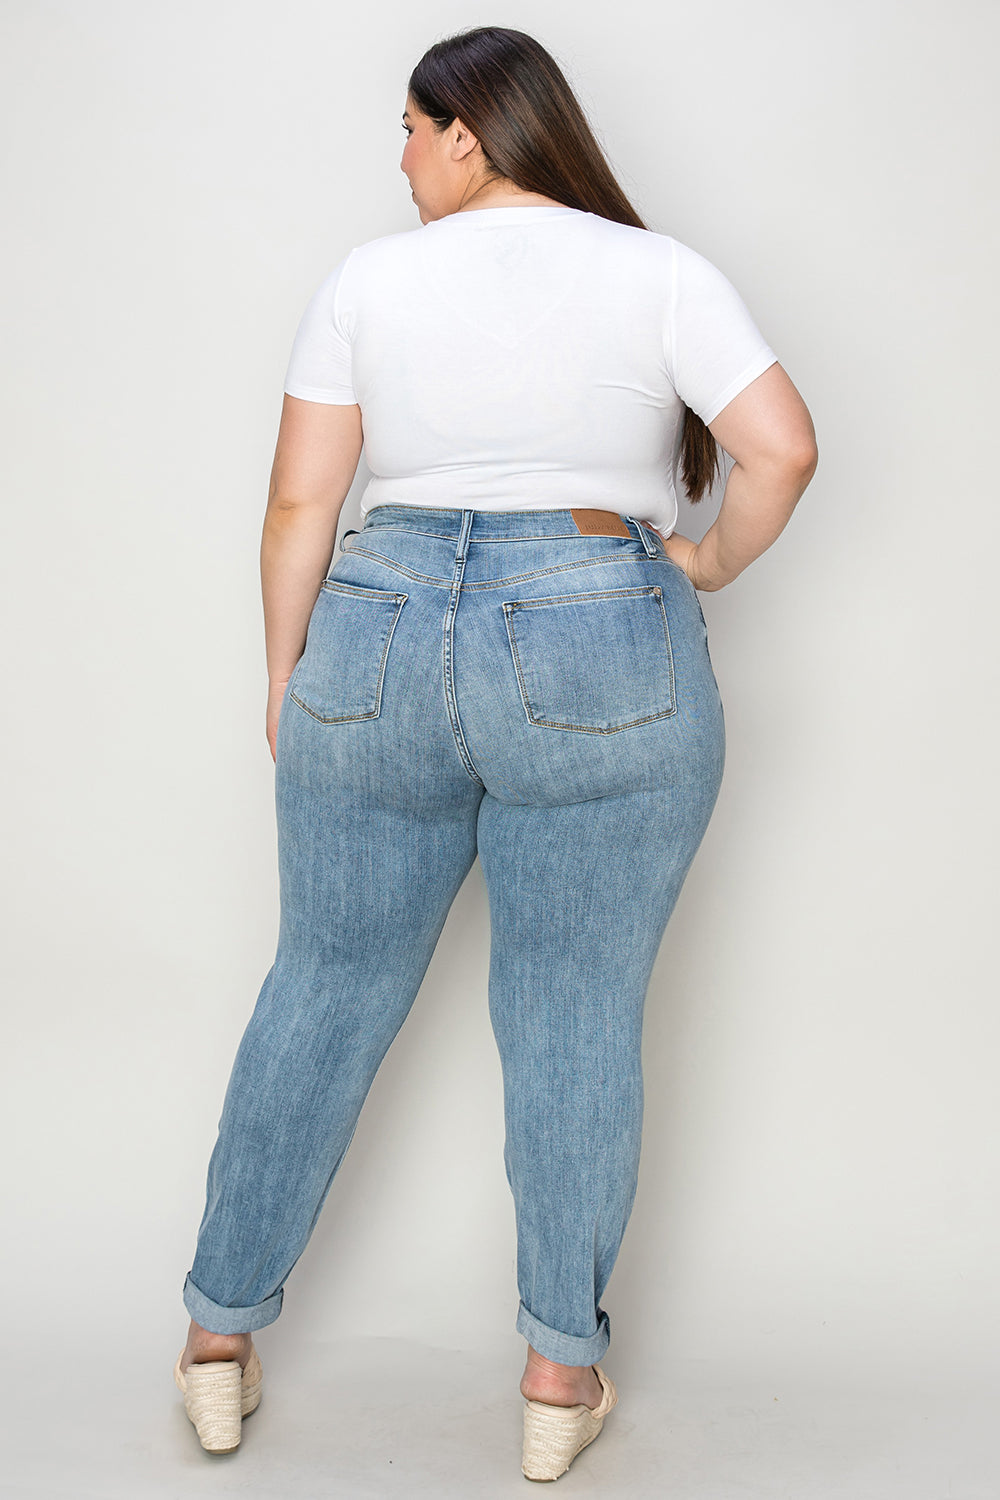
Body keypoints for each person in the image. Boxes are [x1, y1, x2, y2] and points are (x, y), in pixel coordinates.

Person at [173, 24, 818, 1482]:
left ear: (471, 131)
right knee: (576, 1010)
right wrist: (705, 562)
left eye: (409, 130)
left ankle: (216, 1344)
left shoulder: (364, 283)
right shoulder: (660, 274)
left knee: (322, 987)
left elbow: (297, 511)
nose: (398, 160)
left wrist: (290, 678)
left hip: (380, 630)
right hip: (600, 627)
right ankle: (553, 1378)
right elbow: (782, 445)